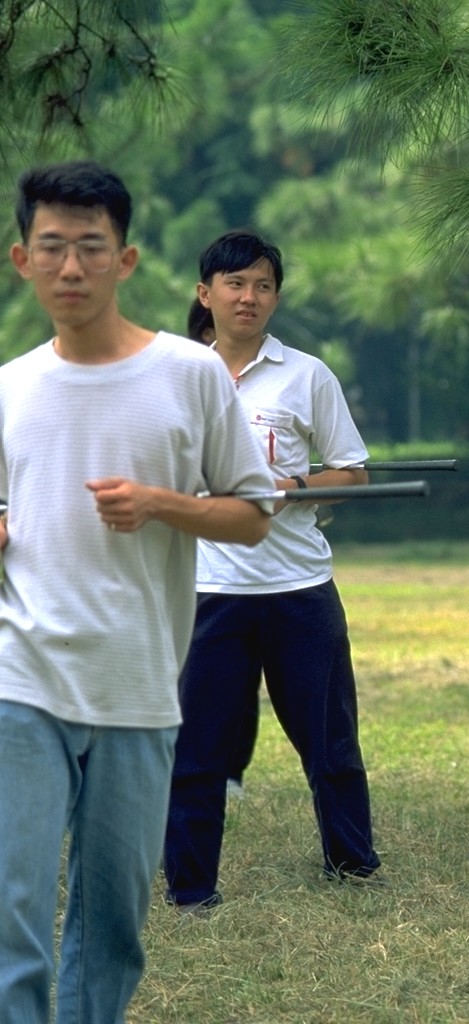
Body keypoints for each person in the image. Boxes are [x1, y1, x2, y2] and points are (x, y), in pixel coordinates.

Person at [0, 162, 272, 1023]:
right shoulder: (8, 388)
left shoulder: (189, 374)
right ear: (22, 260)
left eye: (91, 248)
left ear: (127, 260)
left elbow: (253, 514)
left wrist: (162, 504)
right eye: (53, 248)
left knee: (114, 921)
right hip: (21, 678)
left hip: (140, 684)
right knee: (12, 914)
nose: (71, 268)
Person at [162, 230, 382, 911]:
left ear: (275, 297)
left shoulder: (306, 374)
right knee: (197, 751)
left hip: (298, 589)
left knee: (331, 743)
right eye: (233, 284)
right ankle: (191, 888)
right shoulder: (168, 377)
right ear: (206, 295)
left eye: (261, 285)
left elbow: (353, 472)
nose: (247, 296)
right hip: (206, 591)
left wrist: (293, 485)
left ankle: (353, 865)